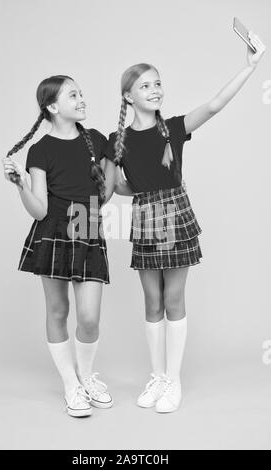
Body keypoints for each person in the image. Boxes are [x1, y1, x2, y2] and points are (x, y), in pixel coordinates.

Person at [104, 31, 266, 413]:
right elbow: (116, 187)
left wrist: (250, 66)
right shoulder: (118, 138)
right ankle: (157, 377)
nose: (155, 89)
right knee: (152, 300)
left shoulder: (175, 127)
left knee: (174, 299)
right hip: (146, 217)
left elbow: (214, 105)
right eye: (145, 85)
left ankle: (173, 380)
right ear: (128, 96)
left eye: (158, 83)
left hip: (176, 214)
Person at [2, 75, 115, 418]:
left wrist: (115, 161)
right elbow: (39, 208)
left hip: (88, 223)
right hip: (52, 229)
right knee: (58, 311)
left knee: (89, 317)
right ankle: (71, 385)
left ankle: (86, 375)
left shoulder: (96, 139)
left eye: (81, 92)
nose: (82, 99)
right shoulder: (41, 150)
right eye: (73, 95)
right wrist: (21, 184)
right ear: (52, 107)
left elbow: (105, 195)